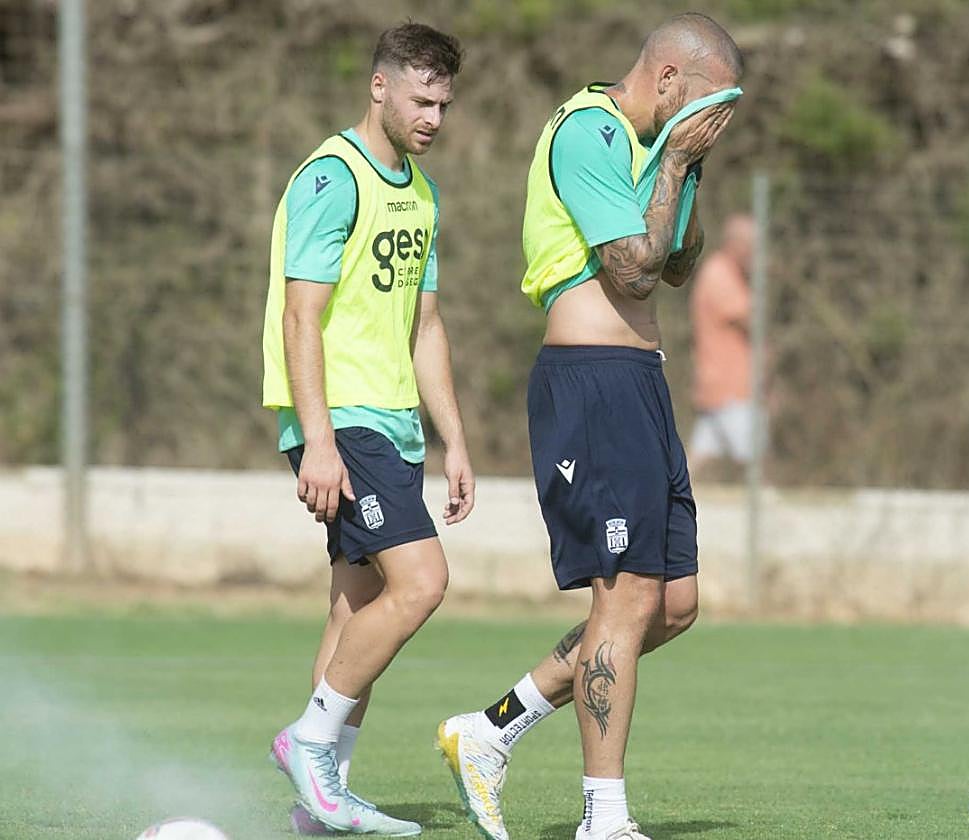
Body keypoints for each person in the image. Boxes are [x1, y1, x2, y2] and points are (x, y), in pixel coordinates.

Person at [435, 13, 742, 840]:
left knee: (671, 604)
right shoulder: (588, 132)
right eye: (708, 105)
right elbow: (633, 271)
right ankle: (603, 818)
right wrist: (672, 160)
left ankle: (491, 731)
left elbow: (677, 264)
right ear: (669, 80)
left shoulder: (656, 148)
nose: (713, 123)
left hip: (641, 382)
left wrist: (688, 166)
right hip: (592, 384)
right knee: (626, 595)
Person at [261, 23, 474, 836]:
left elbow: (427, 326)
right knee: (421, 582)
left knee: (358, 608)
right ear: (379, 87)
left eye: (443, 104)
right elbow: (301, 318)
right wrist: (317, 440)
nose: (433, 118)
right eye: (421, 100)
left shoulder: (422, 193)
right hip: (343, 423)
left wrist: (454, 439)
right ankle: (309, 742)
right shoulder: (333, 177)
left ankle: (320, 805)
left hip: (394, 425)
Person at [689, 214, 756, 473]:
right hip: (730, 386)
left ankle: (667, 493)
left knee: (701, 452)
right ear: (736, 243)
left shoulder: (727, 273)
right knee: (756, 461)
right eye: (751, 245)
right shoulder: (720, 275)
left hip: (719, 381)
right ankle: (765, 501)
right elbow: (750, 319)